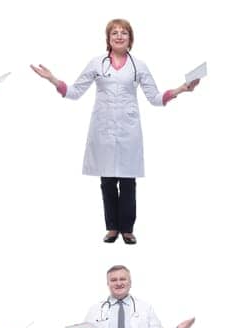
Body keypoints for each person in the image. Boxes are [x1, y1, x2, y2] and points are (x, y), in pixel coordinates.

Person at [30, 19, 201, 245]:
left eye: (124, 33)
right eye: (114, 33)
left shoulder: (138, 66)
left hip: (128, 131)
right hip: (103, 130)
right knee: (108, 181)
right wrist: (52, 79)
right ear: (108, 39)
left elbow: (155, 98)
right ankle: (112, 228)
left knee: (128, 182)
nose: (119, 36)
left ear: (130, 39)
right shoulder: (96, 63)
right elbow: (74, 92)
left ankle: (127, 229)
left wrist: (181, 89)